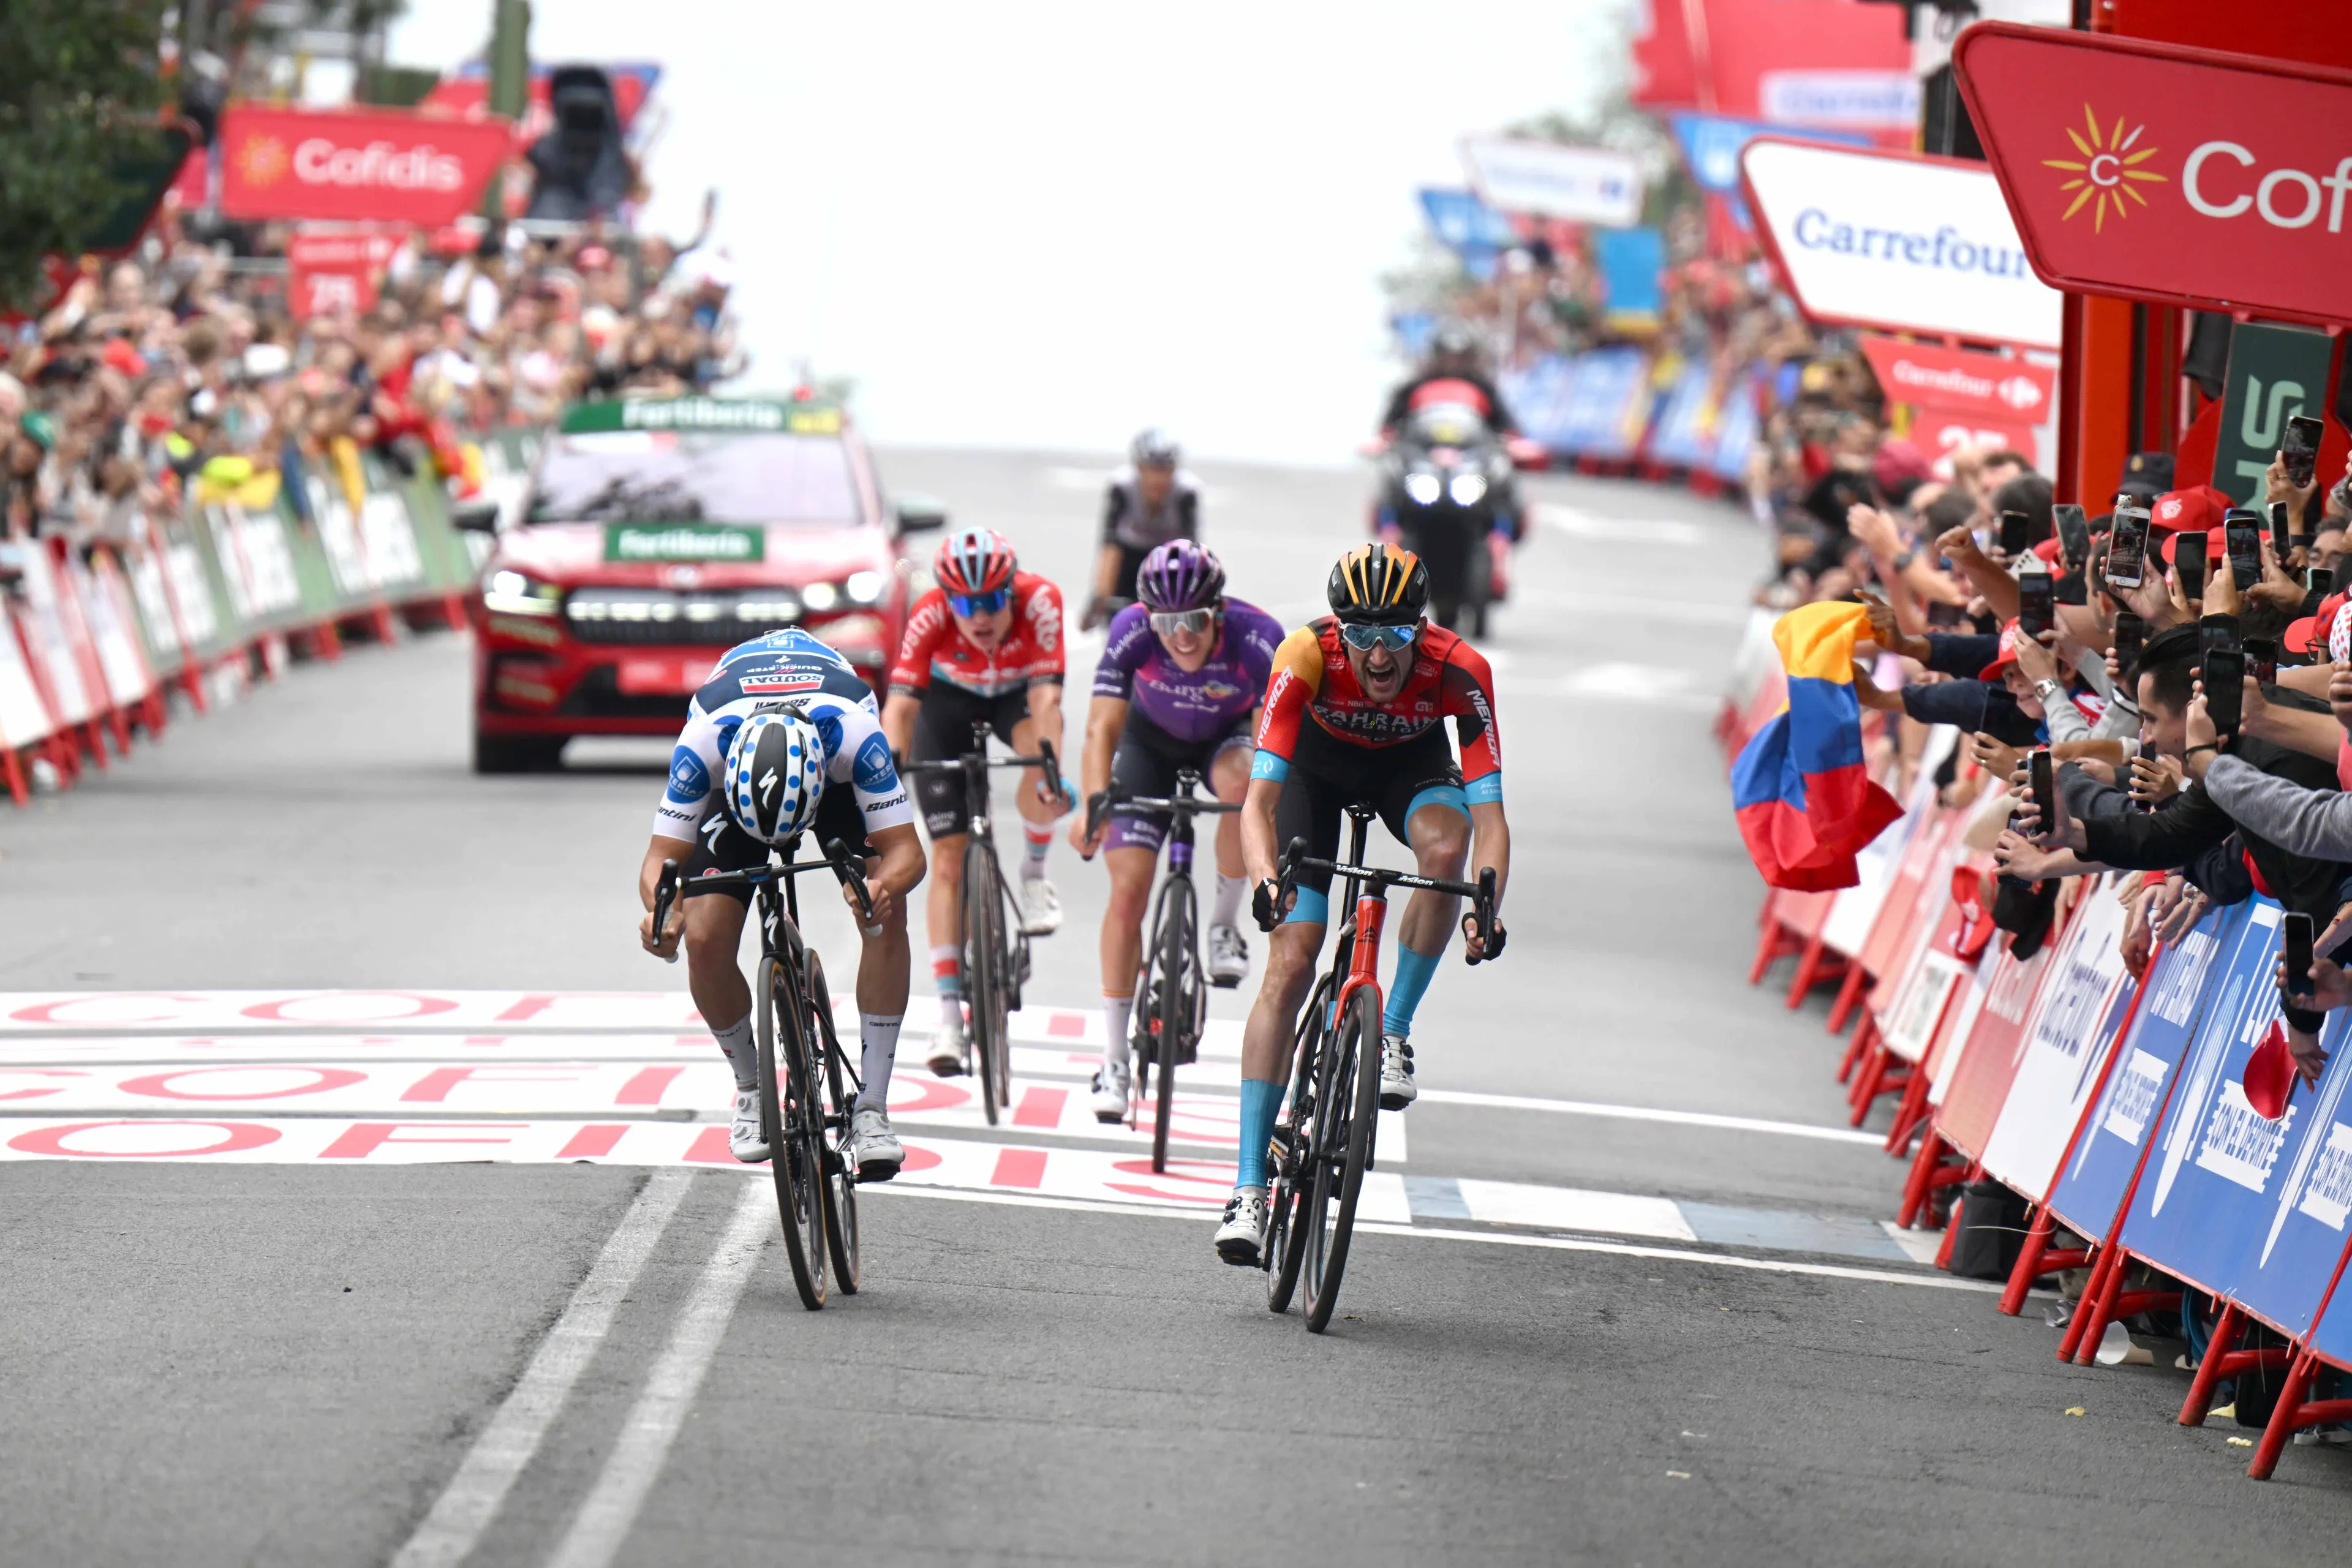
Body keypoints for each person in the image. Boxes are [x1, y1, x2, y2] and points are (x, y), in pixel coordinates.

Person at [1213, 543, 1510, 1263]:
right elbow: (1259, 803)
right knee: (1293, 958)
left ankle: (1394, 1032)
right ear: (1340, 630)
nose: (1379, 655)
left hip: (1412, 770)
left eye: (1397, 634)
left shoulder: (1461, 669)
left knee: (1447, 851)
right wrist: (1265, 880)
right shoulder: (1304, 655)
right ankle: (1249, 1186)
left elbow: (1491, 819)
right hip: (1313, 775)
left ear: (1422, 629)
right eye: (1362, 635)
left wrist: (1487, 905)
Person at [636, 627, 927, 1178]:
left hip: (832, 785)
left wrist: (882, 889)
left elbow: (908, 854)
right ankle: (751, 1087)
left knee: (886, 920)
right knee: (704, 937)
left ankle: (872, 1109)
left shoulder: (855, 738)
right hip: (737, 788)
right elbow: (659, 861)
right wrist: (663, 912)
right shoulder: (704, 745)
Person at [1069, 540, 1284, 1120]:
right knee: (1128, 891)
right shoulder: (1130, 630)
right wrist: (1093, 804)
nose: (1182, 636)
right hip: (1149, 745)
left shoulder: (1258, 636)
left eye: (1195, 621)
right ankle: (1114, 1059)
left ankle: (1222, 926)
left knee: (1244, 784)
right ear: (1149, 618)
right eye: (1166, 623)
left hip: (1226, 740)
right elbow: (1100, 730)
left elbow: (1271, 747)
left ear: (1218, 612)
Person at [882, 528, 1072, 1077]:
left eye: (991, 600)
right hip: (946, 706)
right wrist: (888, 773)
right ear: (948, 601)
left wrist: (1049, 770)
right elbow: (900, 708)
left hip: (1017, 697)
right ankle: (948, 1017)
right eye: (966, 604)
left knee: (1041, 757)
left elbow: (1047, 699)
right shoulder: (929, 613)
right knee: (947, 858)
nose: (981, 615)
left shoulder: (1041, 601)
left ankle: (1034, 875)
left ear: (1011, 590)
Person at [1085, 428, 1200, 629]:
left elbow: (1190, 552)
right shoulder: (1122, 486)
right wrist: (1100, 598)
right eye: (1153, 469)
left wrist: (1191, 600)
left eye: (1166, 470)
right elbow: (1111, 546)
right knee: (1118, 621)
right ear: (1139, 467)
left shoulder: (1186, 491)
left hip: (1168, 559)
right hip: (1128, 557)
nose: (1159, 479)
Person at [1378, 321, 1520, 437]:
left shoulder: (1484, 388)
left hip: (1474, 454)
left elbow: (1505, 426)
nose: (1452, 364)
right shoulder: (1413, 387)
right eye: (1446, 357)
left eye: (1459, 358)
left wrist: (1512, 441)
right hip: (1421, 453)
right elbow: (1390, 427)